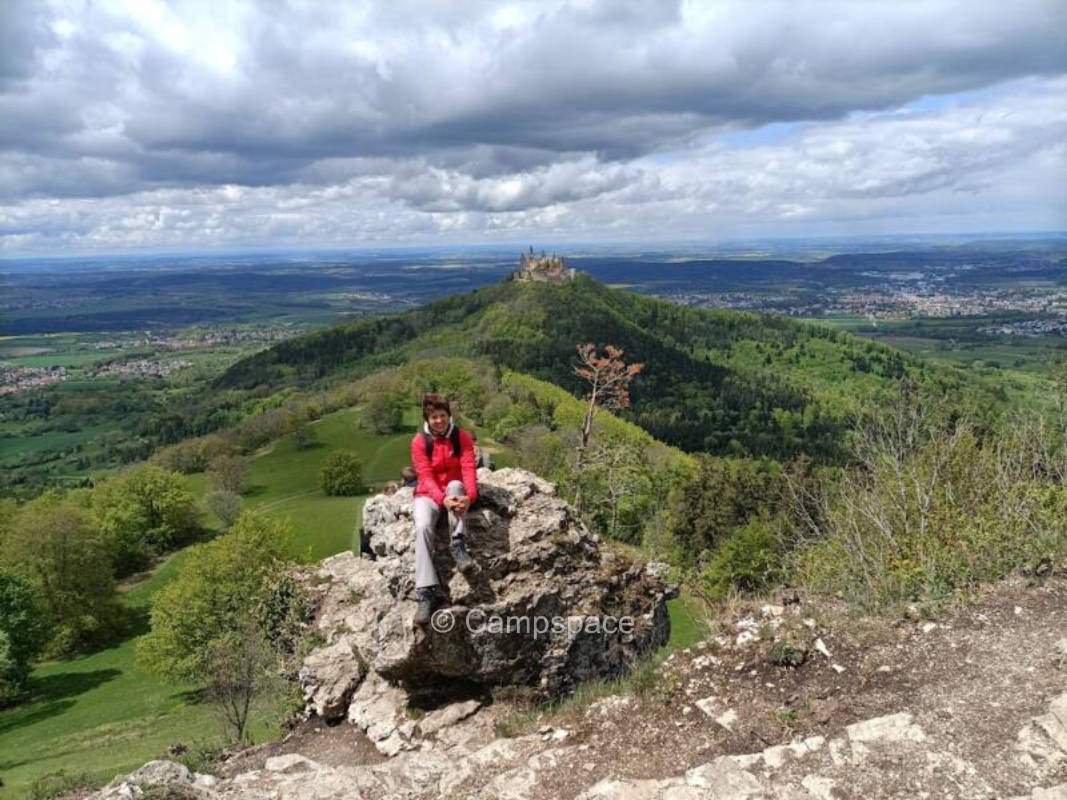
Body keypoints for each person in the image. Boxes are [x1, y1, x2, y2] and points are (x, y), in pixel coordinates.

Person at [410, 393, 479, 626]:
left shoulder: (461, 437)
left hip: (454, 490)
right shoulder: (420, 442)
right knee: (422, 527)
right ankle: (426, 593)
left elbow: (468, 468)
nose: (438, 421)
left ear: (449, 415)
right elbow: (425, 476)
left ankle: (458, 545)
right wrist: (442, 500)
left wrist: (469, 497)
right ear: (427, 419)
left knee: (457, 485)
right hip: (427, 494)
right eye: (433, 417)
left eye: (442, 416)